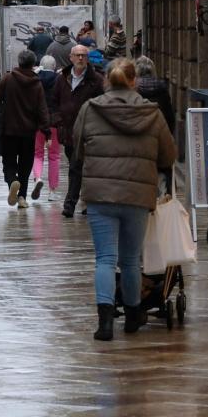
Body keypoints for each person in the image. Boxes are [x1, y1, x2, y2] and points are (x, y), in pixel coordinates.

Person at [74, 59, 176, 341]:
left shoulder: (90, 109)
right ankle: (133, 315)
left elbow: (77, 150)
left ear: (107, 80)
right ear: (135, 82)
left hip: (100, 195)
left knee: (105, 259)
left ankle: (105, 322)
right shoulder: (152, 113)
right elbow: (169, 156)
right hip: (137, 195)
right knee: (130, 260)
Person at [0, 50, 50, 209]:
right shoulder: (37, 83)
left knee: (9, 162)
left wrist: (2, 110)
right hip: (28, 133)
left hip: (9, 131)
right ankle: (22, 198)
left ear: (19, 62)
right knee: (25, 165)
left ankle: (12, 181)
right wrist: (46, 131)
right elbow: (42, 109)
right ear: (33, 64)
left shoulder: (8, 79)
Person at [55, 43, 105, 218]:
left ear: (88, 58)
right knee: (77, 166)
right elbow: (54, 103)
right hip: (68, 132)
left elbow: (103, 104)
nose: (81, 58)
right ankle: (86, 202)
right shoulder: (62, 78)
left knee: (78, 167)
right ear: (71, 58)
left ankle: (71, 204)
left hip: (89, 132)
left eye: (84, 55)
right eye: (77, 55)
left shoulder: (97, 80)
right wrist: (58, 122)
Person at [133, 56, 177, 195]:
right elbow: (170, 116)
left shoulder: (133, 90)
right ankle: (164, 195)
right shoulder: (162, 89)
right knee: (163, 168)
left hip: (139, 138)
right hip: (159, 135)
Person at [34, 55, 63, 192]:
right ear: (54, 66)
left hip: (38, 122)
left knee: (38, 153)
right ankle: (52, 190)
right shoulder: (59, 80)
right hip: (54, 123)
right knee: (54, 156)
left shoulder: (35, 80)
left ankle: (38, 177)